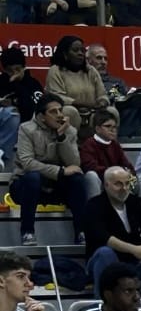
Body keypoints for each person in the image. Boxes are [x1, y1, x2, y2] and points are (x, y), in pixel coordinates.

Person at [84, 165, 141, 297]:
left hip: (136, 263)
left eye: (127, 184)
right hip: (105, 262)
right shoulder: (94, 205)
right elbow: (103, 237)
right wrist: (134, 250)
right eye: (118, 184)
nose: (124, 188)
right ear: (106, 185)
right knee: (105, 252)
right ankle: (104, 303)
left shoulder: (136, 202)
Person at [11, 93, 88, 246]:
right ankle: (27, 232)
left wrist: (62, 137)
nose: (59, 115)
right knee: (33, 177)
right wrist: (60, 171)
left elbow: (74, 163)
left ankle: (81, 232)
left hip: (55, 186)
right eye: (53, 111)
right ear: (41, 117)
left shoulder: (69, 131)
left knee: (78, 179)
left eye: (60, 110)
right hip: (25, 186)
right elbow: (27, 163)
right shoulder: (26, 129)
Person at [87, 41, 141, 141]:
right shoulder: (86, 79)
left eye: (105, 59)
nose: (103, 62)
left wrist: (127, 97)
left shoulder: (115, 81)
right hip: (111, 123)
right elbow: (109, 99)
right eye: (99, 58)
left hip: (127, 114)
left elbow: (119, 95)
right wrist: (116, 97)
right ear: (88, 60)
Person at [81, 107, 141, 207]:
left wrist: (128, 175)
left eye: (115, 127)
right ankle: (96, 214)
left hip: (122, 181)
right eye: (108, 126)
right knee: (91, 176)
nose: (113, 130)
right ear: (97, 129)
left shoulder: (115, 145)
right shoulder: (89, 144)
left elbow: (128, 166)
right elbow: (90, 167)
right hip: (103, 182)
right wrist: (115, 174)